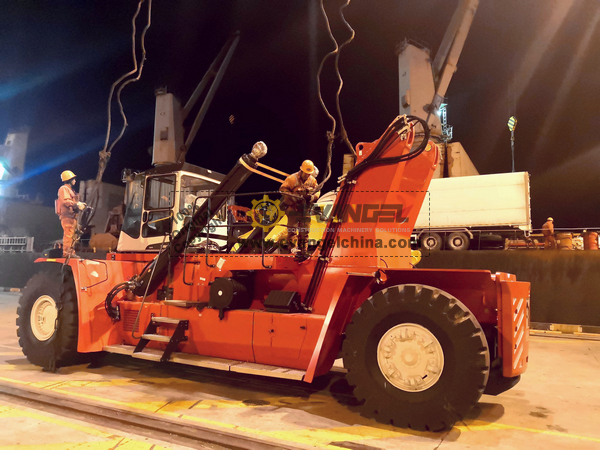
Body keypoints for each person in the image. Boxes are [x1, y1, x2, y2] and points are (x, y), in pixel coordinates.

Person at [280, 160, 320, 261]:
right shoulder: (292, 179)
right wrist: (294, 197)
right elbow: (283, 189)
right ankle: (293, 249)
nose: (307, 175)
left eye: (309, 174)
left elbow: (318, 191)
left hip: (305, 209)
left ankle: (303, 251)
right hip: (293, 208)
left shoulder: (312, 180)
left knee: (304, 231)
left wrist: (312, 197)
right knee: (292, 230)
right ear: (301, 170)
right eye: (306, 173)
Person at [56, 170, 86, 257]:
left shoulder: (70, 190)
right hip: (67, 216)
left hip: (72, 217)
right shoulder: (63, 189)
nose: (75, 181)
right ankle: (67, 253)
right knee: (69, 235)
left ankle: (71, 253)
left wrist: (78, 204)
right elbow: (66, 201)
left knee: (73, 235)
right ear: (69, 179)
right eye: (73, 179)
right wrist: (76, 204)